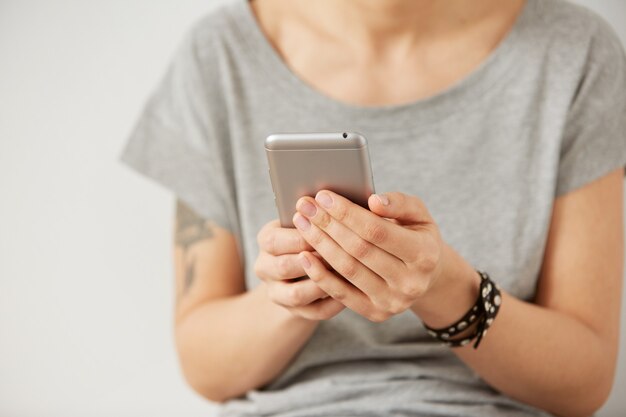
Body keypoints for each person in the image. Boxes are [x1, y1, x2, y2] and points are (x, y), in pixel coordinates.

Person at [120, 0, 626, 415]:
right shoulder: (218, 56)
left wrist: (445, 286)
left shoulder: (574, 51)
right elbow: (205, 365)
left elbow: (584, 383)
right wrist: (299, 291)